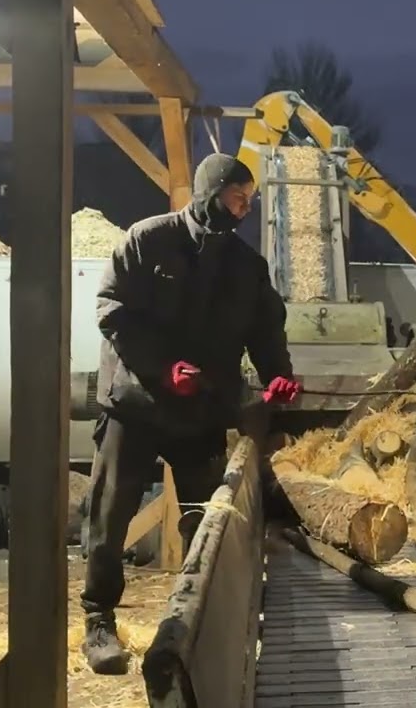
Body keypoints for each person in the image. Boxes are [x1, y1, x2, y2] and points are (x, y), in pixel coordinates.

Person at [81, 153, 302, 674]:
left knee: (207, 519)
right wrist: (162, 369)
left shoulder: (246, 266)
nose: (243, 209)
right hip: (135, 403)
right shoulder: (148, 239)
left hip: (201, 408)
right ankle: (98, 621)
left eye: (249, 202)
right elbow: (112, 310)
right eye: (236, 198)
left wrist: (278, 374)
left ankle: (193, 621)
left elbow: (266, 328)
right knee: (110, 515)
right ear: (209, 191)